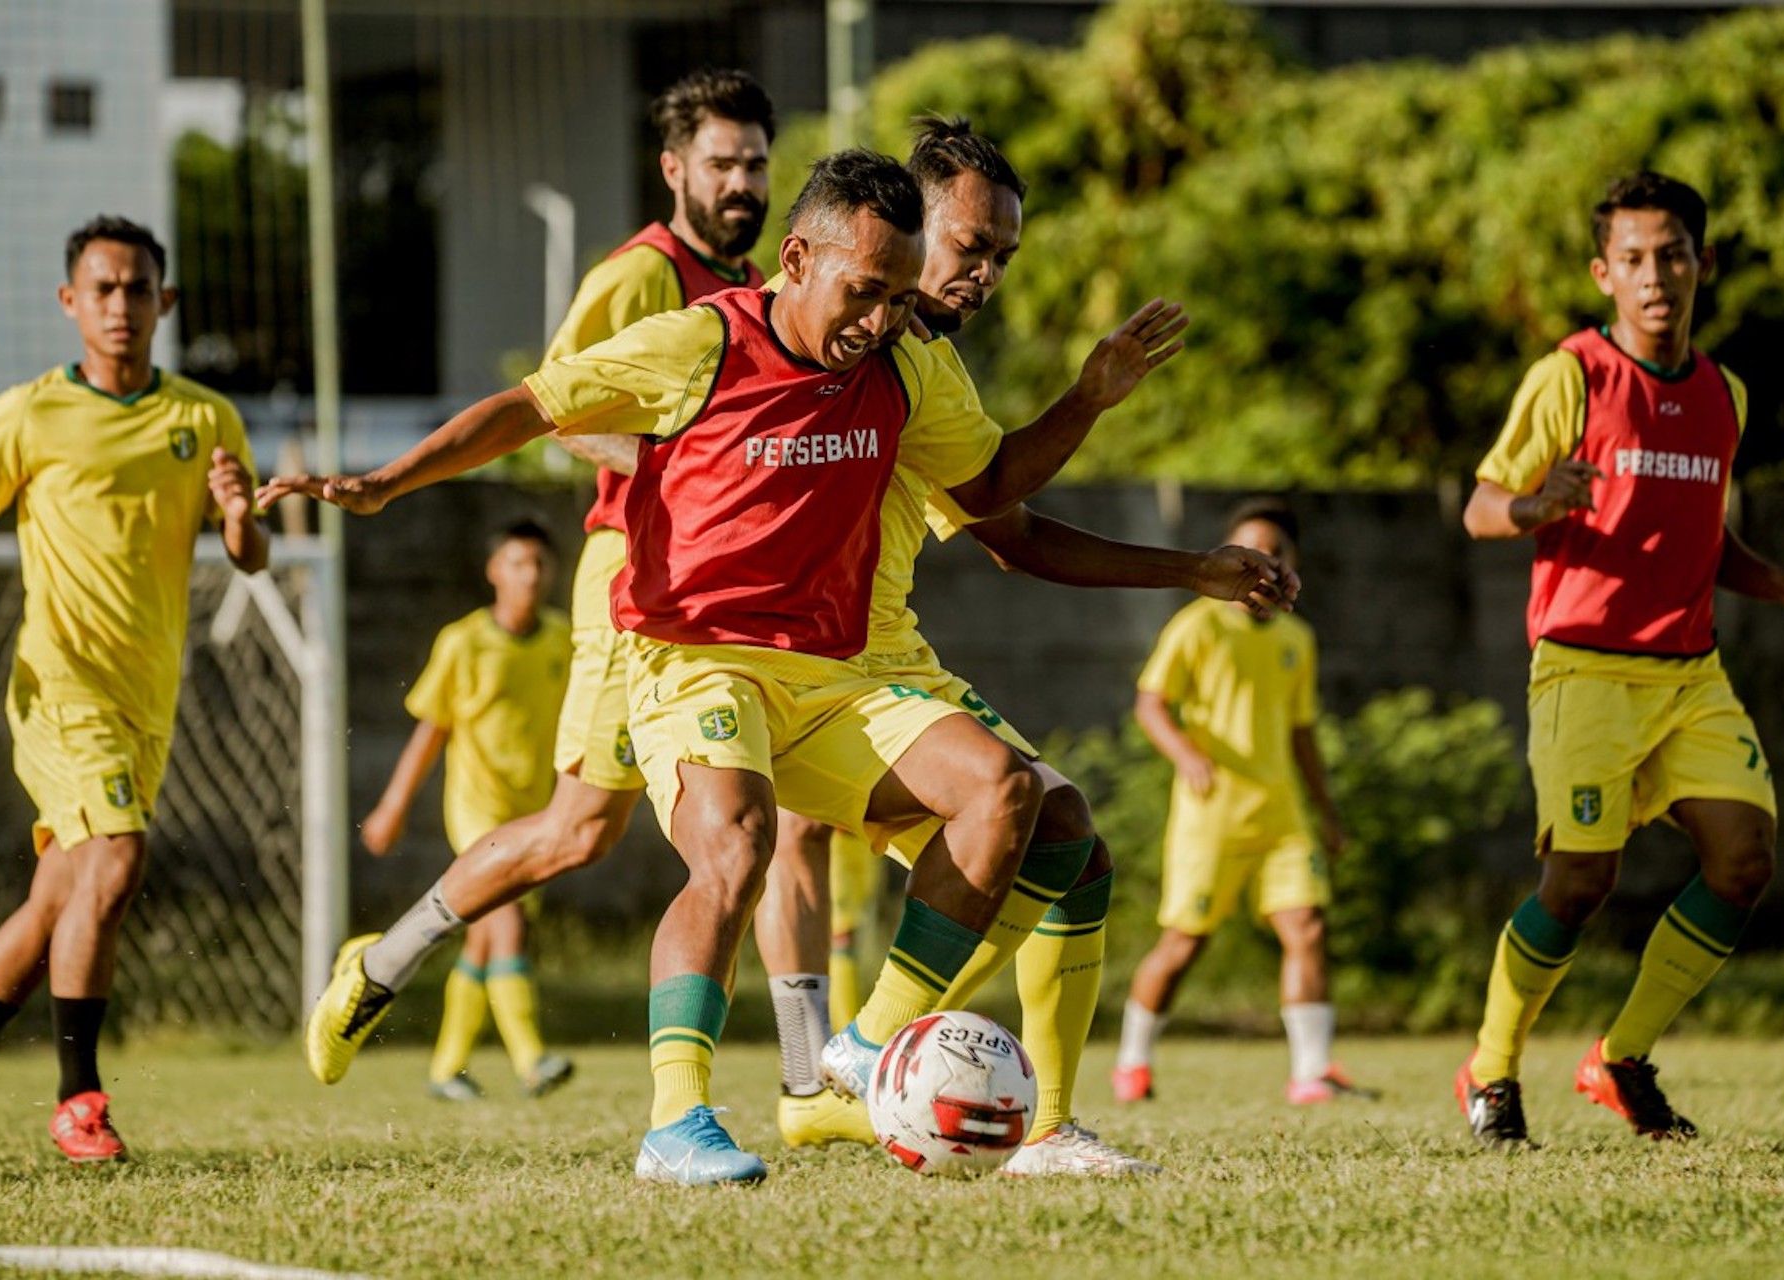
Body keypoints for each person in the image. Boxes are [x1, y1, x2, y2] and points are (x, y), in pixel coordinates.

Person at [261, 150, 1235, 1185]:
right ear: (797, 257)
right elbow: (535, 405)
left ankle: (862, 1054)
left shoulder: (907, 363)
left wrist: (1088, 398)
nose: (882, 318)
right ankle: (669, 1118)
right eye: (867, 291)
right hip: (686, 653)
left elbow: (996, 489)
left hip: (836, 667)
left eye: (903, 294)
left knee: (1014, 798)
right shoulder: (694, 336)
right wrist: (386, 483)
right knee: (707, 840)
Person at [754, 119, 1296, 1175]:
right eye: (972, 246)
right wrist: (1087, 398)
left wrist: (1192, 568)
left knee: (1074, 851)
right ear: (907, 222)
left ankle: (989, 1112)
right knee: (1008, 806)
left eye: (1005, 254)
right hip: (824, 677)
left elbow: (1014, 534)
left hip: (887, 664)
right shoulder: (861, 339)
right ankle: (857, 1065)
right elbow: (1007, 499)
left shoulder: (927, 367)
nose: (989, 272)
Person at [290, 67, 775, 1078]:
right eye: (723, 163)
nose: (742, 183)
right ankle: (381, 962)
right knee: (576, 832)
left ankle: (816, 1073)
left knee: (784, 812)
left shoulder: (754, 288)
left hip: (723, 579)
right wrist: (686, 463)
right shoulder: (640, 276)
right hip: (631, 571)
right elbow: (561, 412)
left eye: (757, 164)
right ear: (674, 168)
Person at [1455, 172, 1784, 1147]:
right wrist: (1538, 505)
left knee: (1744, 861)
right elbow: (1483, 505)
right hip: (1583, 666)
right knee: (1581, 881)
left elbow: (1705, 541)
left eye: (1672, 254)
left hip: (1690, 673)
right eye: (1633, 260)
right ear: (1604, 274)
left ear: (1702, 264)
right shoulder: (1570, 376)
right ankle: (1491, 1068)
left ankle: (1618, 1058)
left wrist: (1783, 584)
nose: (1655, 275)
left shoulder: (1725, 396)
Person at [0, 216, 267, 1165]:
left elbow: (250, 554)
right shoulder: (28, 413)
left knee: (62, 896)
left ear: (167, 302)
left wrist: (239, 514)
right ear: (71, 303)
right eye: (101, 289)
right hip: (58, 684)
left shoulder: (202, 419)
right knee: (115, 860)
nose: (120, 305)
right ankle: (80, 1099)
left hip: (146, 696)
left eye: (137, 288)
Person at [1112, 498, 1365, 1107]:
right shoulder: (1197, 626)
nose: (1266, 564)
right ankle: (1132, 1061)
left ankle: (1310, 1072)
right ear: (1235, 559)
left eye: (1277, 553)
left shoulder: (1297, 640)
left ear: (1292, 563)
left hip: (1280, 813)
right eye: (1253, 551)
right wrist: (1187, 755)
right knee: (1183, 943)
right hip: (1212, 813)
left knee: (1306, 927)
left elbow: (1302, 734)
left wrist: (1326, 813)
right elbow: (1151, 703)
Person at [358, 520, 576, 1101]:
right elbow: (431, 731)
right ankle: (532, 1059)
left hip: (536, 813)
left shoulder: (564, 640)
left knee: (482, 941)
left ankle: (445, 1068)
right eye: (518, 562)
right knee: (505, 924)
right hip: (477, 811)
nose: (530, 575)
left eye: (539, 564)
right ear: (494, 571)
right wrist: (392, 807)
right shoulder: (463, 642)